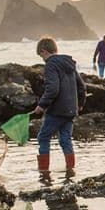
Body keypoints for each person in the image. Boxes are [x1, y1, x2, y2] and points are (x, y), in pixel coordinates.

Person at [33, 37, 86, 179]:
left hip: (57, 110)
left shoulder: (51, 64)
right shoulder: (69, 64)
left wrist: (42, 105)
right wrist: (80, 104)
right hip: (70, 110)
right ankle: (70, 170)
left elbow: (53, 89)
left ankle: (43, 172)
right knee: (65, 139)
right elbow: (82, 86)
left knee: (43, 137)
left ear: (44, 51)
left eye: (41, 55)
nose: (42, 59)